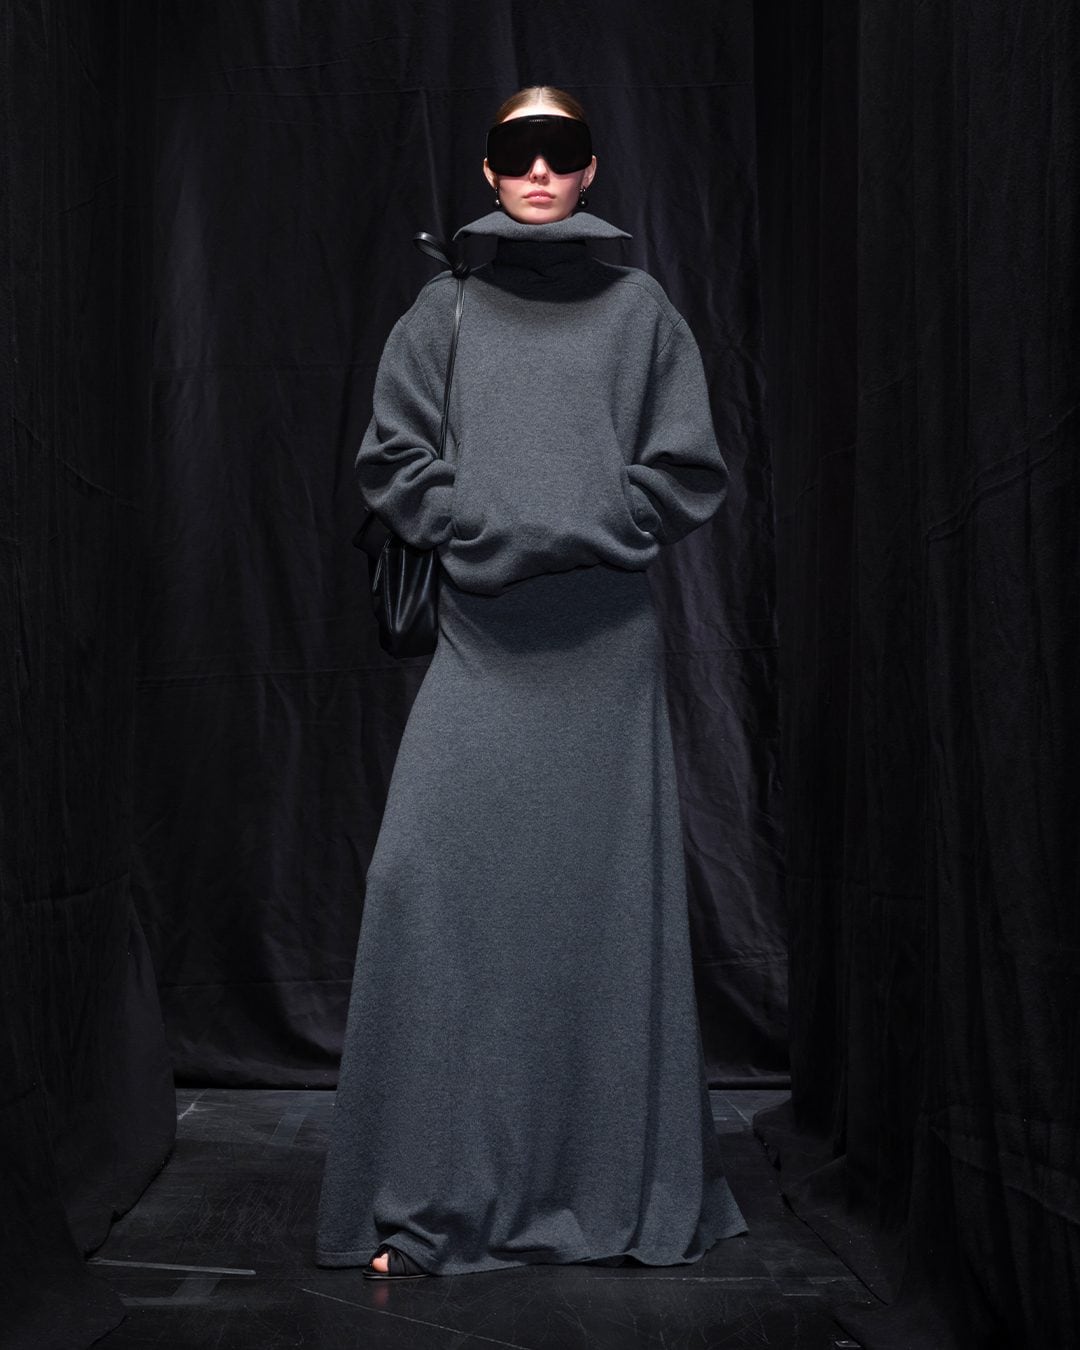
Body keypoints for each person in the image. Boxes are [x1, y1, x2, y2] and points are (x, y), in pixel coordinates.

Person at [315, 85, 748, 1280]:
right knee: (426, 887)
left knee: (599, 920)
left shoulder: (641, 311)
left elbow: (687, 469)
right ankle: (429, 1190)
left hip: (603, 648)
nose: (541, 169)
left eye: (562, 149)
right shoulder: (442, 309)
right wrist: (480, 524)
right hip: (483, 644)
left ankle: (602, 1183)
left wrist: (580, 519)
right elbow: (391, 461)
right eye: (520, 150)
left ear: (592, 168)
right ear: (490, 170)